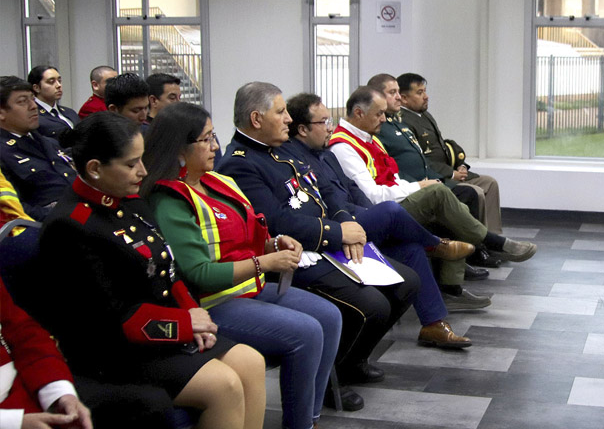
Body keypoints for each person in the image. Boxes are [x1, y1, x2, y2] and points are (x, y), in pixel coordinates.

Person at [14, 112, 266, 429]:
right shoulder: (70, 227)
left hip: (162, 330)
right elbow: (111, 319)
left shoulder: (128, 200)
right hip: (116, 351)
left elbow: (166, 268)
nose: (143, 171)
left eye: (142, 160)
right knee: (223, 386)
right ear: (94, 169)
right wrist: (185, 325)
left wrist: (195, 318)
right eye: (131, 164)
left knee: (251, 363)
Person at [216, 82, 419, 410]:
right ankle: (326, 378)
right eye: (280, 112)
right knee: (372, 305)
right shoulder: (240, 162)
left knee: (406, 282)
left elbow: (322, 191)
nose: (287, 119)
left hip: (328, 238)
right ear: (256, 119)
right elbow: (279, 222)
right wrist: (338, 234)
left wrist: (345, 223)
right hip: (297, 254)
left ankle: (352, 360)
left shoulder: (278, 148)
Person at [142, 102, 342, 429]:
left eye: (214, 136)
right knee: (306, 332)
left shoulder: (218, 183)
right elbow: (199, 274)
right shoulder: (170, 200)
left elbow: (247, 237)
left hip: (249, 287)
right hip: (212, 302)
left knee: (329, 317)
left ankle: (308, 419)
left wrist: (274, 244)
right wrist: (265, 261)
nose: (215, 146)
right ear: (180, 148)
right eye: (205, 140)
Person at [284, 92, 480, 338]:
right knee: (391, 210)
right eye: (323, 123)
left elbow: (352, 190)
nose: (329, 128)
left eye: (329, 121)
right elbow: (324, 201)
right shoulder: (299, 158)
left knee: (410, 248)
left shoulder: (325, 153)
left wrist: (367, 214)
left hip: (357, 217)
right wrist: (357, 220)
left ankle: (433, 324)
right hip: (336, 229)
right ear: (302, 129)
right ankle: (437, 245)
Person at [329, 87, 536, 265]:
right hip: (380, 211)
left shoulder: (369, 137)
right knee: (438, 193)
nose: (384, 119)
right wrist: (418, 186)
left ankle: (452, 287)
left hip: (394, 198)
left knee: (457, 207)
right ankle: (493, 243)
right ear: (358, 113)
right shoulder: (343, 147)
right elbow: (372, 196)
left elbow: (392, 176)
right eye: (379, 114)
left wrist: (418, 185)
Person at [368, 74, 498, 276]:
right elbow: (398, 170)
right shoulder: (380, 129)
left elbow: (426, 155)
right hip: (406, 190)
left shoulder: (401, 123)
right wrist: (441, 178)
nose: (398, 98)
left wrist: (452, 169)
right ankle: (479, 248)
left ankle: (478, 250)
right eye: (392, 93)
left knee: (481, 187)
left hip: (426, 179)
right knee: (467, 195)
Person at [397, 72, 506, 268]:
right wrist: (451, 174)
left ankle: (494, 240)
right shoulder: (404, 121)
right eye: (420, 92)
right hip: (437, 176)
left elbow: (441, 148)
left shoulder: (424, 115)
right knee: (476, 192)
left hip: (449, 170)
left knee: (490, 182)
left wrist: (459, 165)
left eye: (425, 91)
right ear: (403, 98)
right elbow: (423, 160)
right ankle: (476, 248)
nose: (426, 96)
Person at [1, 279, 94, 429]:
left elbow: (20, 330)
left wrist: (59, 394)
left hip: (28, 384)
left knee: (135, 403)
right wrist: (13, 423)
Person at [0, 77, 75, 221]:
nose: (33, 106)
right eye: (22, 101)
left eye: (32, 99)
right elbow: (14, 210)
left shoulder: (47, 142)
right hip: (51, 227)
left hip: (81, 213)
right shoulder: (4, 153)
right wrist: (69, 216)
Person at [27, 65, 79, 141]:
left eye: (59, 81)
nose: (58, 85)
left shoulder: (70, 112)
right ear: (36, 88)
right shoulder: (33, 116)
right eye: (51, 82)